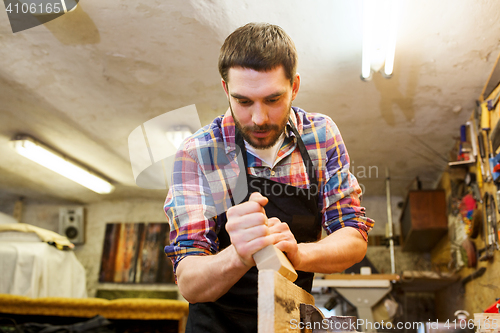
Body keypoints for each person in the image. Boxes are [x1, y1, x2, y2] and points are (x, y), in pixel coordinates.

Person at [164, 22, 374, 333]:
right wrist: (240, 254)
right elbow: (190, 283)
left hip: (288, 323)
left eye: (273, 100)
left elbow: (353, 238)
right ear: (226, 90)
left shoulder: (321, 135)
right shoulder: (200, 152)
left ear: (295, 87)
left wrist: (298, 253)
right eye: (243, 101)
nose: (259, 118)